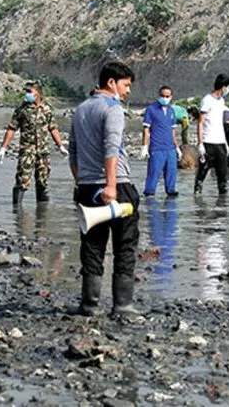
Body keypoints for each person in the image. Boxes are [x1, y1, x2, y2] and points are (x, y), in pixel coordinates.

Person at [69, 61, 140, 317]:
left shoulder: (80, 109)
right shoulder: (113, 108)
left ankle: (89, 304)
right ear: (111, 82)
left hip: (87, 188)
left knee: (91, 245)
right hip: (116, 185)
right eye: (126, 85)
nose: (128, 91)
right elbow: (112, 147)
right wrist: (110, 184)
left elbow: (73, 153)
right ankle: (123, 305)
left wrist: (82, 182)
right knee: (125, 244)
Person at [0, 81, 68, 205]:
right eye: (26, 92)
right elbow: (12, 128)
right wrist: (3, 147)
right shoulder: (22, 109)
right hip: (27, 151)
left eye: (30, 92)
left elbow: (53, 128)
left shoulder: (47, 108)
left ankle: (41, 215)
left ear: (38, 94)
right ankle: (17, 213)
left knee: (42, 181)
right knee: (22, 181)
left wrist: (60, 146)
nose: (27, 95)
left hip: (43, 152)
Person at [141, 86, 182, 197]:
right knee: (154, 174)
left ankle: (171, 193)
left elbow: (173, 130)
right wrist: (144, 147)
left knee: (172, 173)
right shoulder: (151, 109)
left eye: (167, 96)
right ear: (159, 95)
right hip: (157, 147)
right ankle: (149, 195)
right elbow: (146, 129)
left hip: (170, 148)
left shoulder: (171, 111)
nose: (165, 98)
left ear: (171, 97)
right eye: (162, 96)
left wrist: (177, 147)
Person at [194, 74, 229, 195]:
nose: (228, 90)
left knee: (222, 174)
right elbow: (200, 123)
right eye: (228, 87)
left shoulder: (221, 101)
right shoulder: (207, 100)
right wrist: (200, 144)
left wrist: (225, 142)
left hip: (220, 141)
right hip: (208, 141)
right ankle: (197, 194)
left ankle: (222, 203)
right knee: (203, 171)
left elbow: (220, 122)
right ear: (223, 87)